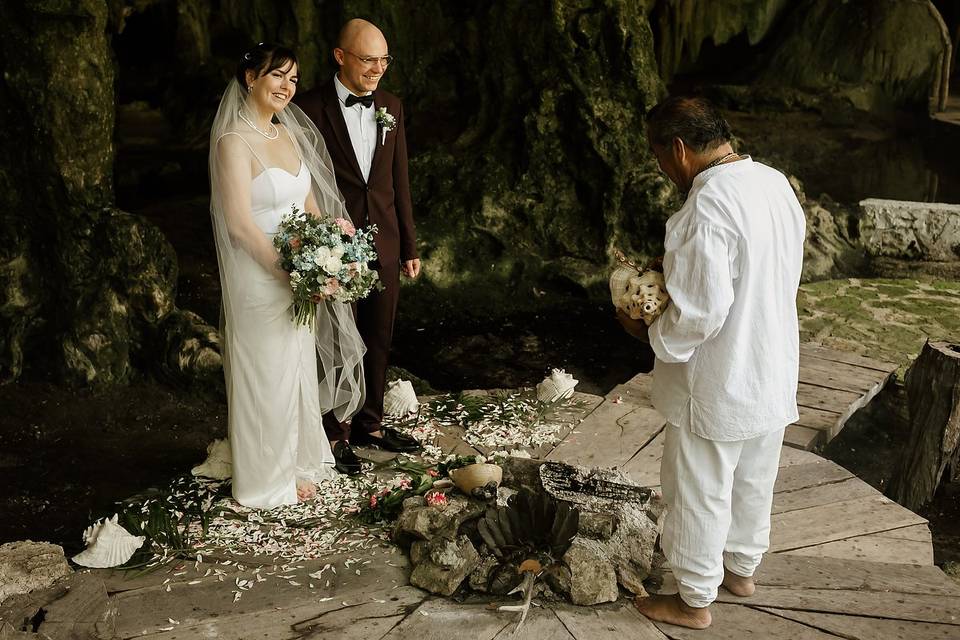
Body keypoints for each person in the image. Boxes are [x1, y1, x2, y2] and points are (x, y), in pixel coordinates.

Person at [619, 96, 805, 630]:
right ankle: (742, 569)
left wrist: (649, 330)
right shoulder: (774, 184)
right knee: (754, 475)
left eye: (658, 155)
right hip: (769, 361)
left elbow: (702, 312)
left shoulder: (706, 206)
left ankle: (694, 599)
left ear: (678, 149)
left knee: (699, 485)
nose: (661, 167)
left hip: (719, 376)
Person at [209, 43, 367, 508]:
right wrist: (288, 270)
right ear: (250, 79)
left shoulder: (289, 134)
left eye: (293, 79)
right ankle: (264, 480)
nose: (286, 86)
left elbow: (310, 203)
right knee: (266, 371)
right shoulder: (232, 142)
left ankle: (296, 462)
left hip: (300, 271)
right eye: (277, 75)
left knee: (296, 366)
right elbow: (239, 223)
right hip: (260, 274)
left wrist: (332, 251)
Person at [295, 19, 421, 475]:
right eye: (368, 59)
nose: (377, 69)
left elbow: (398, 181)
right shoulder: (307, 107)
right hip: (334, 245)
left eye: (384, 59)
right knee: (333, 340)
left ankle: (370, 423)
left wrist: (409, 243)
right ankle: (333, 431)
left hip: (384, 239)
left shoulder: (392, 106)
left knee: (378, 338)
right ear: (340, 56)